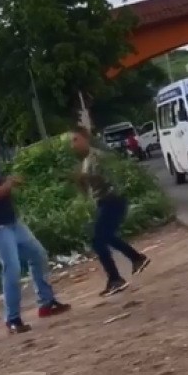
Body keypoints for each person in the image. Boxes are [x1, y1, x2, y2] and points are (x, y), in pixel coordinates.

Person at [0, 119, 70, 334]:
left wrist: (8, 182)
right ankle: (12, 319)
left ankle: (46, 303)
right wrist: (9, 184)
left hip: (10, 223)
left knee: (38, 254)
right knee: (11, 268)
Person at [69, 126, 150, 297]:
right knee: (106, 237)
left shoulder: (97, 157)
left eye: (75, 139)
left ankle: (115, 278)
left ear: (85, 138)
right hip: (105, 203)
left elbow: (109, 179)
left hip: (112, 201)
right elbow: (89, 186)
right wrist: (81, 182)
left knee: (98, 241)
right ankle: (136, 259)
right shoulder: (87, 160)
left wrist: (87, 178)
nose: (73, 144)